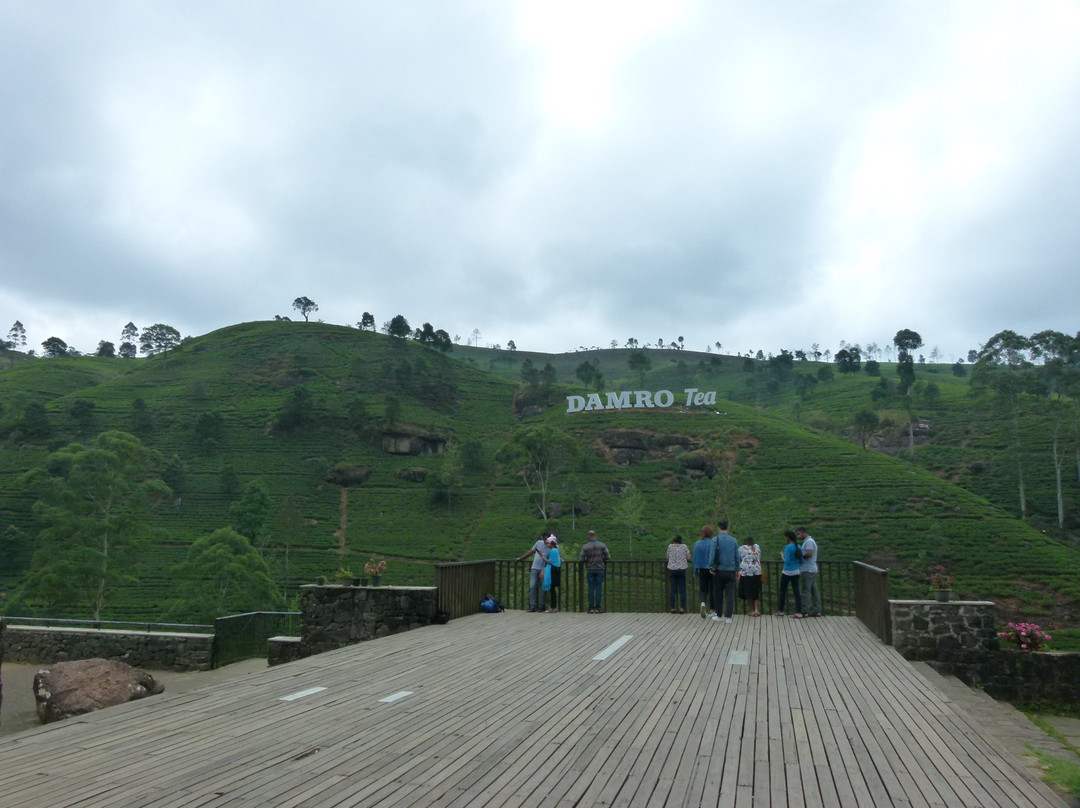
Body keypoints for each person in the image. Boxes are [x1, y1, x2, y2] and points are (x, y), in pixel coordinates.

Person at [515, 531, 550, 612]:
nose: (545, 541)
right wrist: (521, 558)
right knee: (532, 586)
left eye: (546, 539)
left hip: (544, 569)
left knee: (543, 588)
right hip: (534, 568)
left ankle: (541, 606)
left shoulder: (552, 546)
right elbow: (531, 552)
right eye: (544, 539)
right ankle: (532, 606)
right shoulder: (538, 543)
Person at [712, 521, 739, 623]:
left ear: (719, 528)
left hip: (719, 569)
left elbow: (712, 554)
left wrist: (711, 567)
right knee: (729, 594)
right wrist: (737, 569)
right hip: (730, 570)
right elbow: (737, 556)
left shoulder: (716, 539)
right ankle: (728, 617)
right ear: (727, 527)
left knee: (718, 593)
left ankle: (719, 615)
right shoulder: (733, 540)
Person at [580, 530, 611, 613]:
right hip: (600, 569)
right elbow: (608, 556)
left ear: (589, 536)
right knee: (598, 588)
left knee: (591, 588)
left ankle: (591, 608)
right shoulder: (602, 545)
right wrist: (601, 559)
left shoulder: (586, 546)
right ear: (595, 536)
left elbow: (581, 558)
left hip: (590, 569)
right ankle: (598, 607)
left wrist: (588, 560)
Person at [776, 529, 803, 618]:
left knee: (783, 591)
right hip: (796, 571)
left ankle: (781, 611)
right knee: (796, 591)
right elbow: (801, 560)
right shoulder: (799, 547)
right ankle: (799, 611)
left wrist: (782, 556)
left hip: (787, 571)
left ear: (788, 538)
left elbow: (787, 561)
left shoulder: (788, 547)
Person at [691, 525, 716, 619]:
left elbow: (695, 558)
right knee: (713, 589)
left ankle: (703, 603)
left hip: (702, 569)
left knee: (703, 589)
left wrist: (695, 571)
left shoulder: (697, 544)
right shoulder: (714, 543)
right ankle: (712, 610)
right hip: (712, 569)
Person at [797, 527, 821, 617]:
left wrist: (801, 555)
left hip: (807, 569)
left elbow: (809, 554)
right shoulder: (809, 541)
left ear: (803, 533)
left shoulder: (809, 542)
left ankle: (805, 610)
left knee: (806, 590)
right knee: (814, 590)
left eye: (799, 534)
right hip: (811, 568)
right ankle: (816, 610)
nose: (798, 536)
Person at [737, 535, 763, 617]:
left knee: (747, 591)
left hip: (746, 572)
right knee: (755, 591)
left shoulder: (741, 548)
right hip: (757, 571)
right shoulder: (757, 547)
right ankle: (756, 610)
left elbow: (739, 559)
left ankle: (751, 610)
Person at [665, 534, 691, 613]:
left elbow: (667, 558)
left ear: (674, 541)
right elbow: (688, 557)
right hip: (682, 569)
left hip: (672, 569)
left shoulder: (670, 546)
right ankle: (682, 608)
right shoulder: (684, 546)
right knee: (682, 590)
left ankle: (672, 608)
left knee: (673, 589)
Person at [543, 535, 562, 613]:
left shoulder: (553, 551)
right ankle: (553, 606)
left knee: (552, 590)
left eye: (548, 543)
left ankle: (553, 607)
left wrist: (541, 556)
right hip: (554, 570)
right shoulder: (555, 550)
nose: (547, 544)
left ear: (551, 543)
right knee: (552, 590)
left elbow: (550, 562)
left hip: (552, 571)